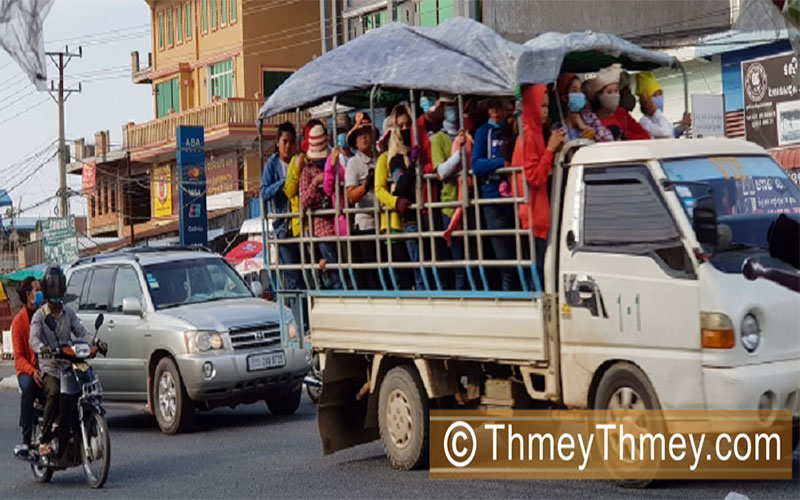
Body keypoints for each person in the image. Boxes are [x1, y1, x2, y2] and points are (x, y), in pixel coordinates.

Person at [29, 266, 89, 457]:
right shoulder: (40, 316)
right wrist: (42, 349)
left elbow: (81, 331)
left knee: (86, 385)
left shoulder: (69, 313)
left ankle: (74, 429)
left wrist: (95, 343)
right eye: (51, 286)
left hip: (68, 366)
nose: (55, 290)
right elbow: (33, 339)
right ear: (46, 289)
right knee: (54, 391)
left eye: (58, 286)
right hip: (50, 369)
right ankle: (44, 440)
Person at [513, 84, 566, 287]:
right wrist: (550, 150)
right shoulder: (529, 135)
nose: (544, 111)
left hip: (538, 217)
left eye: (546, 106)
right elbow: (534, 177)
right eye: (541, 106)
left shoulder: (535, 132)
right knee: (539, 280)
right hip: (533, 218)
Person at [375, 104, 424, 290]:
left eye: (407, 126)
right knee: (403, 274)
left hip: (410, 218)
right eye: (399, 127)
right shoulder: (386, 159)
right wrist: (395, 201)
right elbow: (379, 189)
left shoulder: (412, 151)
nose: (403, 131)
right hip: (393, 222)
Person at [472, 97, 517, 291]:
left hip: (514, 197)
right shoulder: (483, 132)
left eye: (500, 107)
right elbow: (476, 165)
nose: (496, 111)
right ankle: (507, 294)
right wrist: (500, 163)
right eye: (492, 107)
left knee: (519, 249)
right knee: (503, 256)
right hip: (492, 198)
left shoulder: (513, 129)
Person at [431, 95, 469, 289]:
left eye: (456, 105)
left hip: (469, 203)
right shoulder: (438, 138)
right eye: (449, 106)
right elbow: (441, 172)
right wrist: (457, 154)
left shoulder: (466, 135)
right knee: (458, 260)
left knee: (472, 257)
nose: (453, 110)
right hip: (450, 207)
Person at [300, 123, 342, 290]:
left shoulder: (335, 165)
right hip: (322, 230)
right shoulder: (307, 172)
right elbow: (303, 203)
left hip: (341, 224)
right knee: (335, 273)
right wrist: (315, 184)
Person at [260, 122, 302, 291]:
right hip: (282, 228)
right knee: (293, 277)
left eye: (291, 142)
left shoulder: (298, 161)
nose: (288, 146)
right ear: (277, 143)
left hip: (300, 225)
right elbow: (264, 192)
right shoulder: (272, 165)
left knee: (305, 274)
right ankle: (299, 315)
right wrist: (283, 184)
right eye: (284, 141)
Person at [344, 112, 380, 289]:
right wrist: (366, 187)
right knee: (370, 277)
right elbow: (350, 196)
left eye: (367, 132)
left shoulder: (381, 159)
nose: (364, 137)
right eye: (360, 134)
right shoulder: (353, 163)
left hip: (383, 223)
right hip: (365, 226)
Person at [11, 276, 43, 456]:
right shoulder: (18, 322)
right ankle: (25, 438)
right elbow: (20, 359)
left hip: (45, 366)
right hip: (26, 371)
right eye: (37, 290)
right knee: (29, 387)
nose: (40, 294)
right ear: (28, 295)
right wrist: (32, 371)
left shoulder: (43, 315)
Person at [585, 64, 650, 141]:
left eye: (616, 91)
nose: (614, 95)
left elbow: (645, 136)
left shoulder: (621, 114)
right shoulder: (593, 120)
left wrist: (624, 135)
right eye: (609, 92)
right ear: (599, 96)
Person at [554, 73, 614, 142]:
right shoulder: (558, 127)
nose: (579, 94)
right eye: (575, 91)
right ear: (565, 98)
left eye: (581, 90)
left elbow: (609, 139)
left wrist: (585, 128)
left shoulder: (590, 118)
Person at [635, 71, 692, 139]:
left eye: (660, 94)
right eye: (656, 95)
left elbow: (670, 134)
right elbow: (665, 132)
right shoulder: (644, 122)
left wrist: (681, 127)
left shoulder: (658, 118)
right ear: (647, 100)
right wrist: (655, 111)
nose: (660, 97)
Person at [324, 113, 353, 238]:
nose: (342, 134)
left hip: (358, 213)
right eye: (339, 131)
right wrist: (332, 165)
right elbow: (328, 188)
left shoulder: (354, 158)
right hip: (342, 215)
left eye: (344, 131)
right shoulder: (332, 159)